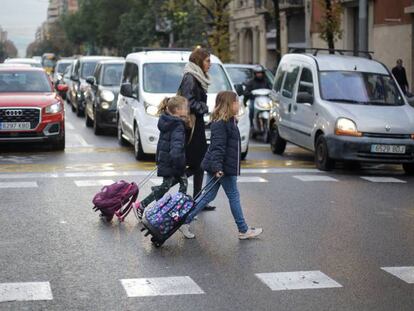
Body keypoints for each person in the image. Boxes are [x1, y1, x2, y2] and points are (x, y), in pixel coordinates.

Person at [179, 91, 263, 240]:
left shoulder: (228, 121)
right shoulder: (221, 124)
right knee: (233, 196)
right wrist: (218, 168)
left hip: (221, 166)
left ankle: (185, 220)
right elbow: (217, 147)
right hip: (222, 167)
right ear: (229, 105)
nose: (238, 105)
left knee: (208, 196)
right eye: (236, 102)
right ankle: (243, 229)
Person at [135, 96, 189, 217]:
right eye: (185, 108)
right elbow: (176, 147)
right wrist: (180, 164)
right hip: (172, 162)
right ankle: (177, 210)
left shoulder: (167, 121)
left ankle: (145, 205)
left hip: (165, 159)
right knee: (178, 184)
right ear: (177, 110)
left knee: (169, 185)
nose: (187, 110)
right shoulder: (177, 125)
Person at [177, 47, 215, 211]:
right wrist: (204, 107)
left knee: (199, 164)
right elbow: (187, 102)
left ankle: (198, 200)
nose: (210, 64)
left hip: (196, 124)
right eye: (207, 61)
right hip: (190, 126)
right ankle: (175, 184)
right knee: (195, 163)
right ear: (199, 61)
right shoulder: (190, 78)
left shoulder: (197, 77)